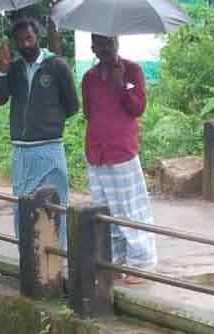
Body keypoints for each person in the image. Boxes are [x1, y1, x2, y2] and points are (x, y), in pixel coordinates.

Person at [0, 18, 78, 246]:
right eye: (20, 41)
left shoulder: (57, 65)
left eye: (29, 38)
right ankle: (29, 261)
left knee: (55, 204)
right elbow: (0, 99)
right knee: (24, 205)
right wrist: (2, 70)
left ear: (37, 37)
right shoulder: (14, 68)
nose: (25, 44)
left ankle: (61, 259)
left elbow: (72, 105)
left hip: (50, 149)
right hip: (22, 152)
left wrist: (49, 123)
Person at [82, 34, 157, 284]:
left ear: (117, 42)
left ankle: (141, 263)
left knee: (130, 209)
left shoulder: (132, 71)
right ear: (92, 47)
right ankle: (115, 261)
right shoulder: (89, 78)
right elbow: (88, 112)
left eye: (108, 43)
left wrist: (120, 85)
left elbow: (138, 108)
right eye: (99, 44)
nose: (104, 48)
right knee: (104, 209)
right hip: (96, 152)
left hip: (121, 151)